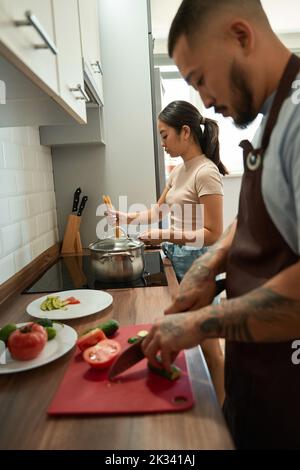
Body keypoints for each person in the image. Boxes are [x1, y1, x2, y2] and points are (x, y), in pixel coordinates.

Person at [141, 0, 300, 449]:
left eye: (200, 79)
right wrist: (209, 264)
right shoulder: (278, 117)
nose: (205, 100)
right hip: (259, 380)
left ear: (241, 36)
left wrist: (201, 324)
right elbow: (257, 217)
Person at [107, 100, 227, 404]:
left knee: (210, 342)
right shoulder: (177, 173)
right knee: (184, 333)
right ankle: (192, 395)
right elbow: (158, 210)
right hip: (175, 257)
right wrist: (127, 217)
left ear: (185, 132)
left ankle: (225, 411)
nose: (162, 143)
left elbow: (213, 234)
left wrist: (166, 234)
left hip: (197, 264)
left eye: (164, 135)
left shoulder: (206, 173)